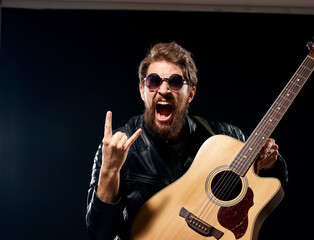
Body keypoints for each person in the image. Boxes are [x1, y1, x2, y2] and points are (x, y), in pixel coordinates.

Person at [86, 42, 288, 240]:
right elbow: (99, 233)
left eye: (174, 82)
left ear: (190, 93)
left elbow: (273, 183)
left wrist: (272, 161)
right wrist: (109, 170)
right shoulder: (119, 146)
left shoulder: (224, 137)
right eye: (154, 81)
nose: (163, 90)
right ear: (142, 90)